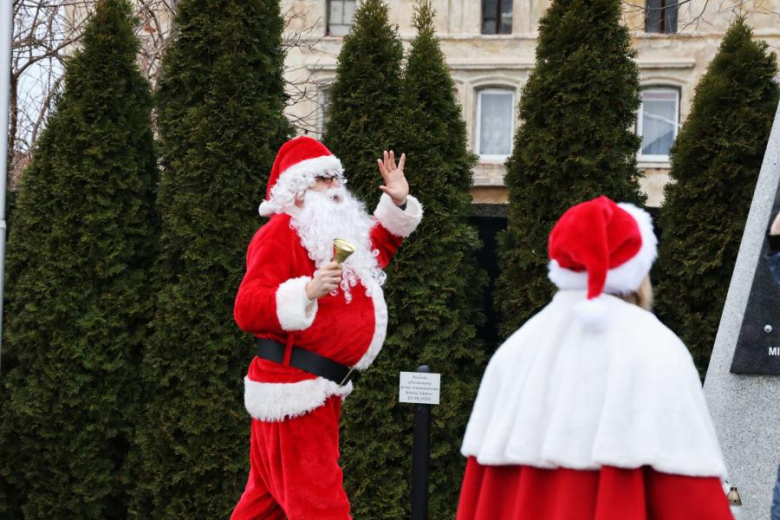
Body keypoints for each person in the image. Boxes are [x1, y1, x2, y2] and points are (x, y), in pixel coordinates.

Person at [457, 196, 732, 520]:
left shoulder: (514, 351)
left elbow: (482, 497)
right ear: (637, 268)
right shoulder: (657, 348)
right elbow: (691, 497)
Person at [230, 136, 422, 520]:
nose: (336, 186)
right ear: (297, 190)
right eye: (323, 179)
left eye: (336, 177)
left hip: (317, 390)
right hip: (295, 391)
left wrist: (398, 202)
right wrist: (306, 291)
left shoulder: (330, 234)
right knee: (321, 506)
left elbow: (377, 248)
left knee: (264, 506)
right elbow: (247, 308)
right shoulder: (279, 233)